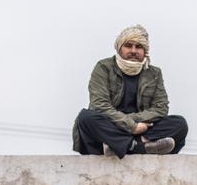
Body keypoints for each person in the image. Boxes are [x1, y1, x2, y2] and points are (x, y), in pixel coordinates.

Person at [72, 25, 188, 159]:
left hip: (140, 129)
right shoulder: (103, 67)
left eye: (138, 47)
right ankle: (138, 147)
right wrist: (130, 126)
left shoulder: (154, 73)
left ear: (145, 51)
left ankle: (123, 146)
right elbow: (99, 105)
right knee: (86, 118)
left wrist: (133, 124)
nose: (133, 51)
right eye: (128, 45)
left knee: (180, 124)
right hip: (109, 129)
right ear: (119, 48)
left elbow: (161, 108)